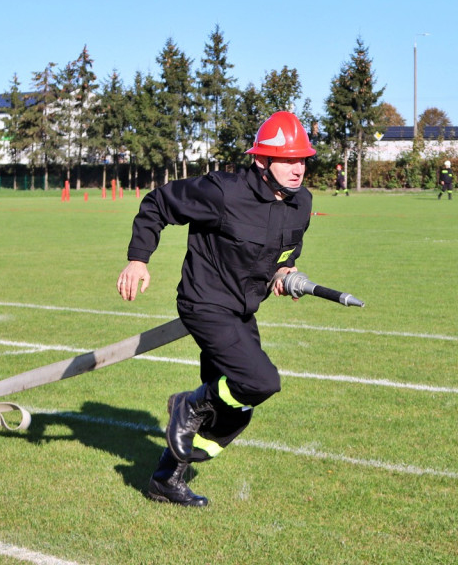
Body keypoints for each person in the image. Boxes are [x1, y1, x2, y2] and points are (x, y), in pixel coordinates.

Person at [117, 111, 315, 507]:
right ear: (262, 161)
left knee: (236, 411)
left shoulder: (302, 204)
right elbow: (158, 203)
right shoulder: (223, 192)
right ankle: (188, 403)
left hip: (242, 311)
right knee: (261, 382)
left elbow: (286, 251)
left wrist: (285, 272)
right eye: (288, 160)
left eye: (303, 160)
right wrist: (139, 258)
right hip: (205, 303)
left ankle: (165, 479)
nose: (298, 169)